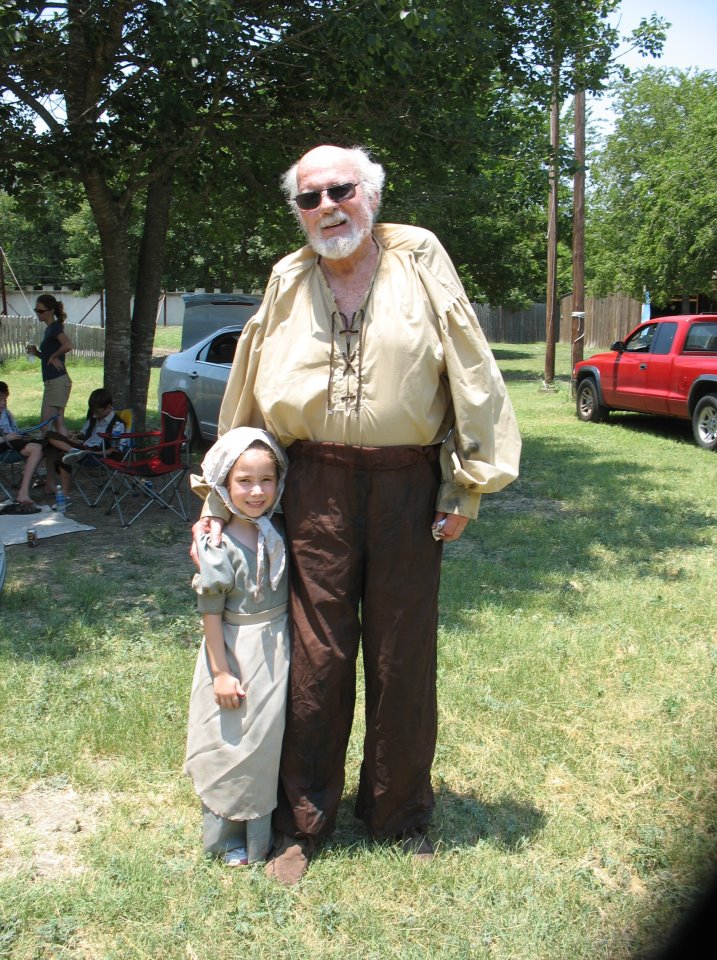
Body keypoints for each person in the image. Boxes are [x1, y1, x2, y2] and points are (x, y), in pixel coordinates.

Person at [193, 144, 522, 885]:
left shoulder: (420, 259)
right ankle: (301, 823)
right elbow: (248, 380)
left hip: (407, 485)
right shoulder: (288, 277)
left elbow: (469, 363)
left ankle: (399, 811)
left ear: (370, 194)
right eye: (309, 198)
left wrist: (466, 483)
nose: (326, 207)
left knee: (403, 656)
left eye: (340, 190)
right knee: (316, 654)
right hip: (315, 483)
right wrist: (221, 496)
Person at [185, 427, 290, 867]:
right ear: (225, 484)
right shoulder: (217, 543)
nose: (256, 491)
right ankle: (229, 836)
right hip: (236, 647)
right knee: (233, 739)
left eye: (267, 481)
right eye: (244, 481)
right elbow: (211, 612)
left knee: (266, 742)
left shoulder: (279, 526)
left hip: (279, 644)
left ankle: (264, 833)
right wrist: (222, 671)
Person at [44, 387, 124, 502]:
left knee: (63, 456)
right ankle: (73, 450)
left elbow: (114, 451)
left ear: (109, 407)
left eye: (98, 412)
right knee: (50, 434)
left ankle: (64, 494)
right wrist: (75, 435)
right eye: (94, 411)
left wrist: (94, 452)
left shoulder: (117, 424)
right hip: (83, 448)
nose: (95, 415)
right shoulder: (94, 417)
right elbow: (85, 434)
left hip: (97, 454)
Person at [26, 294, 72, 436]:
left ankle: (64, 453)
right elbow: (48, 358)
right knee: (58, 425)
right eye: (36, 310)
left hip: (57, 382)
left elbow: (68, 345)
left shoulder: (55, 328)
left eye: (41, 311)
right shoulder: (49, 329)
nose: (37, 313)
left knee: (45, 427)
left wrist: (54, 355)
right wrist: (37, 353)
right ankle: (69, 455)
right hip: (56, 382)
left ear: (51, 311)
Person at [0, 380, 45, 511]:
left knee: (47, 445)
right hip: (3, 445)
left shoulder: (6, 414)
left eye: (4, 399)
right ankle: (23, 493)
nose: (3, 403)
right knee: (37, 448)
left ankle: (44, 482)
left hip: (12, 443)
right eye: (0, 399)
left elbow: (14, 430)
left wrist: (21, 435)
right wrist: (5, 438)